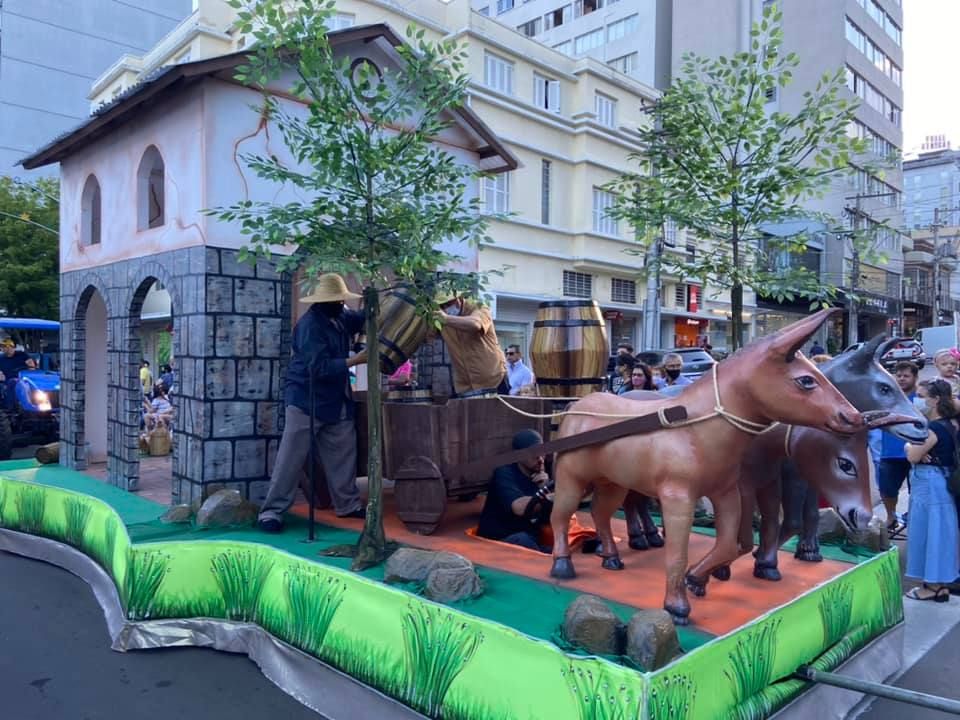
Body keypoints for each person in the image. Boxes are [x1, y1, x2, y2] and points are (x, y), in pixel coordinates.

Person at [258, 273, 368, 533]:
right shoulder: (310, 326)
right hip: (305, 398)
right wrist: (357, 360)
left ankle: (348, 504)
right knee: (291, 458)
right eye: (335, 300)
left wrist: (372, 304)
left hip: (337, 398)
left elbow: (360, 319)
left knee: (343, 453)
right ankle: (271, 511)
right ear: (321, 302)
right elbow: (317, 367)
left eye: (341, 299)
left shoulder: (341, 316)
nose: (340, 303)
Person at [903, 378, 959, 602]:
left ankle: (932, 586)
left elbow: (912, 455)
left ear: (935, 400)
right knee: (942, 533)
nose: (918, 400)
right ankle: (941, 584)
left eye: (922, 395)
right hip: (943, 481)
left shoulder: (933, 428)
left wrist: (909, 446)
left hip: (929, 484)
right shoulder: (953, 423)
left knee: (928, 533)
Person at [477, 429, 553, 552]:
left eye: (542, 453)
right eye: (534, 454)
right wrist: (547, 494)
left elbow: (548, 517)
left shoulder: (541, 475)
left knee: (559, 553)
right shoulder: (503, 473)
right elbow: (519, 508)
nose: (541, 459)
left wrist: (545, 487)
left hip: (529, 539)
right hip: (498, 541)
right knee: (523, 540)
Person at [869, 361, 919, 532]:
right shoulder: (885, 398)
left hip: (916, 452)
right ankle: (891, 516)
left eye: (906, 375)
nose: (902, 379)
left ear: (915, 377)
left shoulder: (921, 397)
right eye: (899, 375)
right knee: (887, 489)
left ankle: (914, 517)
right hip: (890, 452)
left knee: (917, 491)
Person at [435, 294, 508, 397]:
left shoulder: (479, 307)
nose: (445, 308)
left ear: (458, 299)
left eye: (448, 303)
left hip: (494, 382)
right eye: (442, 305)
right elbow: (426, 335)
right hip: (465, 387)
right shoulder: (440, 318)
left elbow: (476, 324)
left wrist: (447, 319)